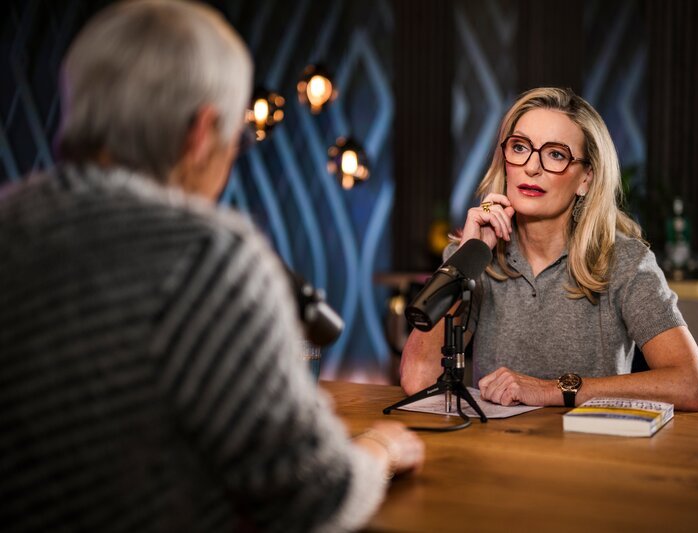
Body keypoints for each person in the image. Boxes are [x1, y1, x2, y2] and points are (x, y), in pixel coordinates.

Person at [0, 1, 423, 532]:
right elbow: (312, 498)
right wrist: (380, 448)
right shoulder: (207, 255)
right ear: (201, 133)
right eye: (234, 140)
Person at [400, 87, 698, 412]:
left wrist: (550, 390)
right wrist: (467, 259)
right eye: (520, 147)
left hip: (589, 442)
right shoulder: (472, 256)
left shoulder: (625, 261)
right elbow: (418, 379)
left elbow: (690, 384)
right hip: (497, 443)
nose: (532, 167)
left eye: (556, 154)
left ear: (586, 179)